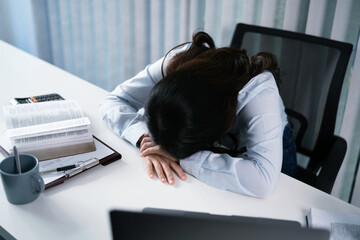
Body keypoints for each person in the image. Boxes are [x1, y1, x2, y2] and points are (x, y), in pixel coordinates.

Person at [99, 32, 297, 198]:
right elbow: (114, 100)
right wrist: (145, 138)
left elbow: (262, 181)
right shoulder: (179, 62)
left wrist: (181, 158)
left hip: (261, 152)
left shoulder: (260, 93)